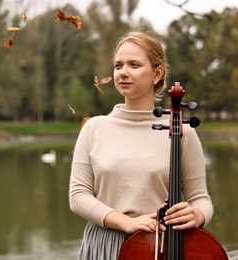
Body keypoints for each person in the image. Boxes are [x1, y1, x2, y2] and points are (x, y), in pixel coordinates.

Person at [69, 31, 213, 259]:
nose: (123, 72)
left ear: (157, 73)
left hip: (162, 244)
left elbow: (201, 199)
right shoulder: (94, 128)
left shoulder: (183, 132)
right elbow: (78, 196)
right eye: (118, 65)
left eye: (134, 65)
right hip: (107, 244)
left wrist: (197, 215)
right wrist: (126, 222)